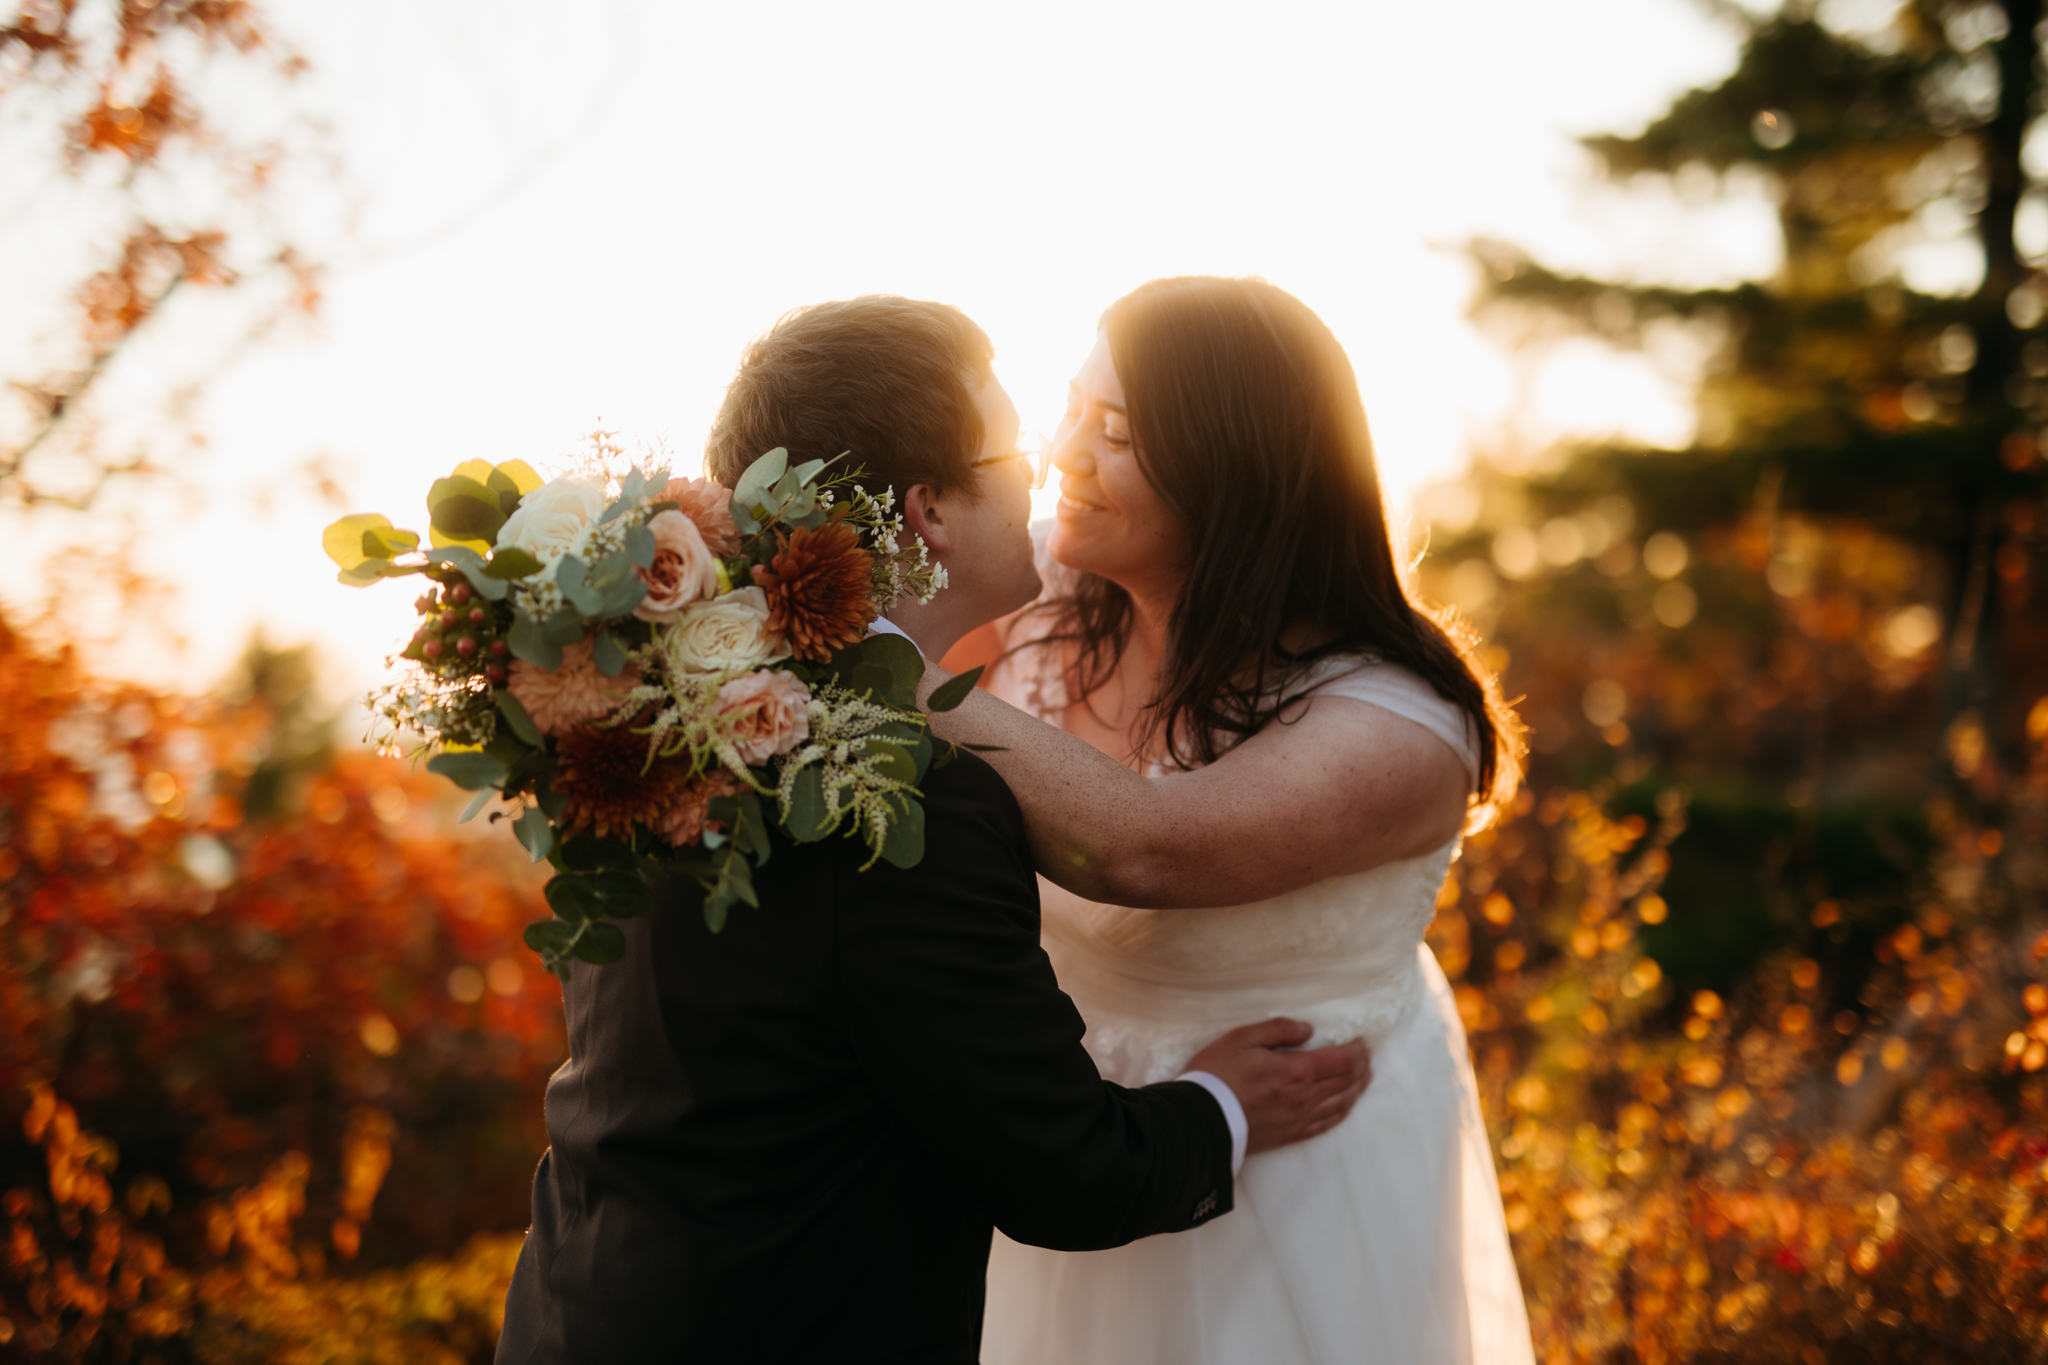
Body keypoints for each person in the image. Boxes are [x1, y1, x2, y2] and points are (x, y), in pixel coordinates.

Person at [494, 295, 1375, 1365]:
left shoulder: (656, 708)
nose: (1043, 472)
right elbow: (1065, 1171)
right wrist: (1223, 1106)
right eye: (1012, 448)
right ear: (929, 514)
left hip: (575, 1310)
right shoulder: (908, 796)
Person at [925, 277, 1537, 1364]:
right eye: (1069, 408)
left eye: (1113, 432)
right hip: (1061, 1147)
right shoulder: (1039, 605)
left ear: (1235, 472)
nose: (1062, 450)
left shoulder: (1398, 728)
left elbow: (1149, 849)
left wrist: (892, 683)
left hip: (1290, 1180)